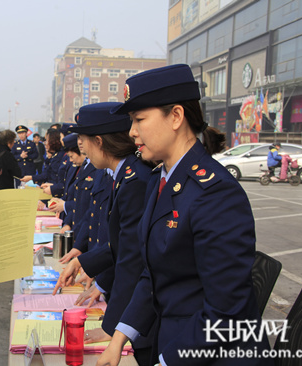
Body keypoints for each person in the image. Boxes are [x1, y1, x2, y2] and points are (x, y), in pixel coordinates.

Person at [97, 64, 273, 366]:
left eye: (139, 119)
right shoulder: (162, 179)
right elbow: (152, 274)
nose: (132, 132)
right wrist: (119, 337)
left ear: (176, 116)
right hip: (175, 341)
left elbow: (226, 311)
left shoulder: (215, 194)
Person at [52, 102, 153, 365]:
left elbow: (132, 259)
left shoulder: (135, 179)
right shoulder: (124, 174)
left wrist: (112, 328)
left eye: (83, 140)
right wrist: (83, 262)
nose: (80, 147)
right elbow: (120, 244)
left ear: (99, 141)